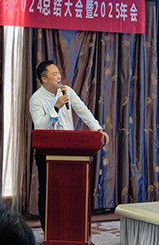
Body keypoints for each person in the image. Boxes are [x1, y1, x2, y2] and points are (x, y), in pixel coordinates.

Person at [28, 60, 109, 229]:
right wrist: (56, 108)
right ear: (44, 79)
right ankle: (49, 230)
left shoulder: (67, 91)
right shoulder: (36, 99)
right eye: (54, 74)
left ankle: (70, 228)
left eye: (59, 73)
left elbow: (83, 110)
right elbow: (40, 127)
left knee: (70, 189)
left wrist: (98, 129)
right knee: (48, 191)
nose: (59, 76)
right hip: (46, 152)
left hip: (69, 149)